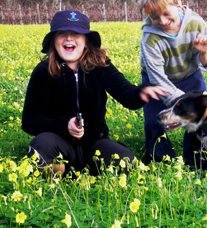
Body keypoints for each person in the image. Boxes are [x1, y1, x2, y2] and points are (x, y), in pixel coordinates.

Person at [22, 10, 167, 177]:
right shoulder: (43, 72)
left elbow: (127, 95)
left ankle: (84, 171)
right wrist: (64, 125)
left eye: (76, 33)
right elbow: (29, 121)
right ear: (53, 40)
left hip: (95, 144)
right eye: (62, 34)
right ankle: (61, 178)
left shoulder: (100, 65)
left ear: (86, 40)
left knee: (128, 164)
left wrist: (142, 92)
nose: (69, 38)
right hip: (59, 142)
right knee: (40, 148)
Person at [135, 0, 207, 166]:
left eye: (166, 13)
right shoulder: (149, 36)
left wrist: (203, 52)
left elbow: (206, 62)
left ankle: (197, 159)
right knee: (155, 121)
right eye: (154, 17)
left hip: (189, 76)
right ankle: (161, 161)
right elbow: (157, 78)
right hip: (156, 81)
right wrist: (182, 103)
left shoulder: (196, 23)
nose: (162, 21)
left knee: (201, 115)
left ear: (177, 0)